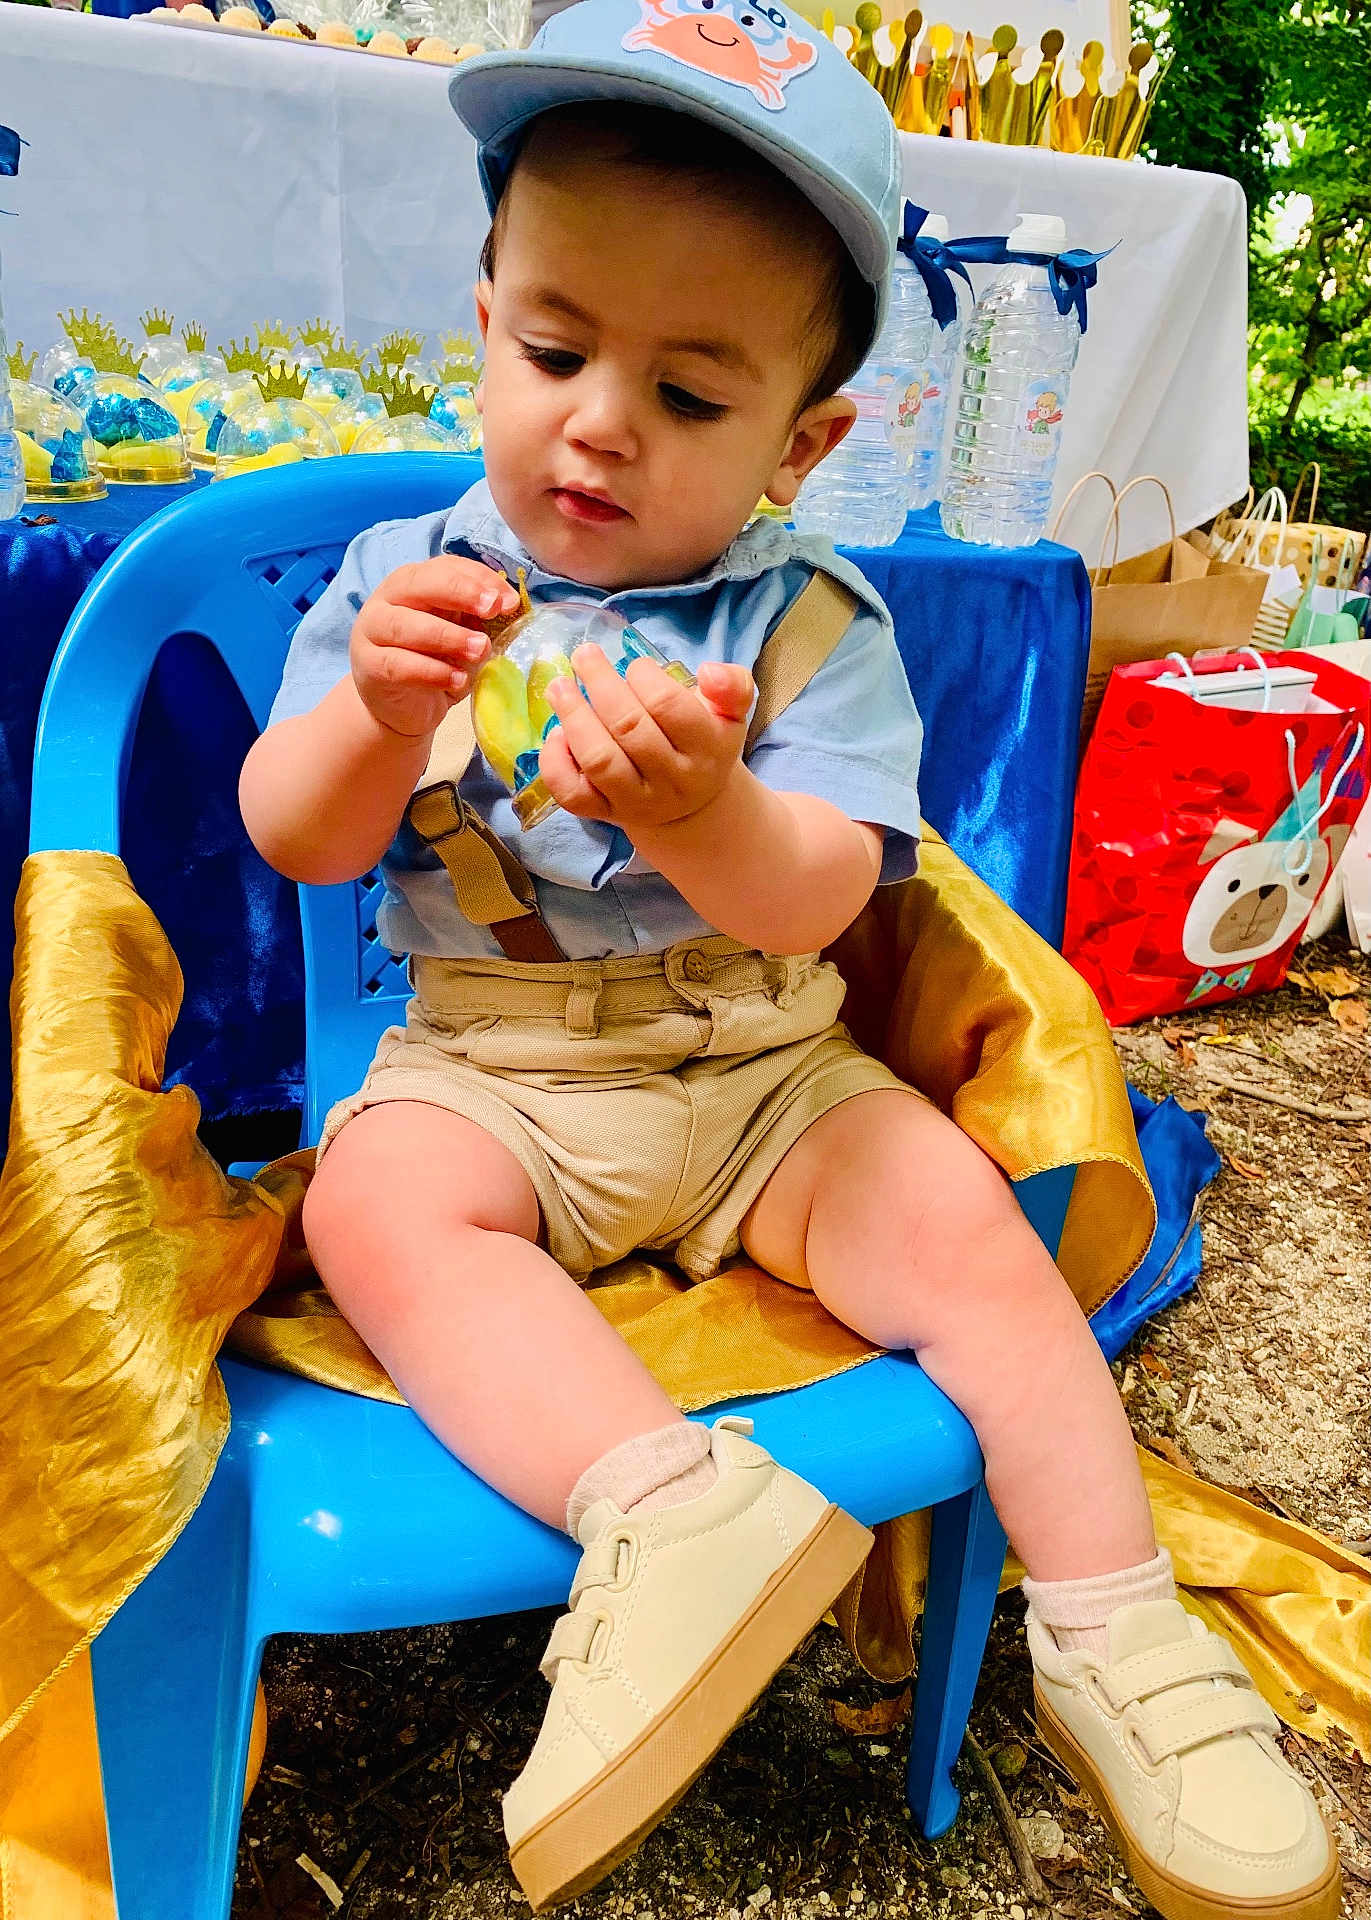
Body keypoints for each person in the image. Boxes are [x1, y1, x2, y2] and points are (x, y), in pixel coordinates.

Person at [238, 5, 1339, 1914]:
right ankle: (666, 1513)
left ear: (802, 441)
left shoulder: (814, 621)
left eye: (689, 393)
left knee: (978, 1242)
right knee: (379, 1206)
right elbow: (295, 837)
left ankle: (1121, 1642)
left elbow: (823, 899)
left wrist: (701, 813)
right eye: (558, 347)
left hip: (762, 1068)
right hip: (494, 1064)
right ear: (481, 318)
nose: (599, 421)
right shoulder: (402, 580)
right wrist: (363, 715)